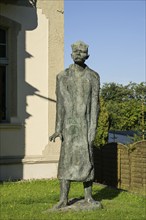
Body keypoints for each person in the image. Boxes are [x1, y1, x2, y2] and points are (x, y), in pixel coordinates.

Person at [49, 41, 100, 209]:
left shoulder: (93, 76)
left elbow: (95, 105)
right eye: (75, 51)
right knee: (66, 162)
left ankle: (88, 197)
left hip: (85, 126)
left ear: (88, 56)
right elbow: (60, 104)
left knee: (87, 161)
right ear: (71, 54)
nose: (78, 53)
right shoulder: (62, 76)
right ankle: (63, 199)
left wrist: (92, 130)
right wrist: (58, 128)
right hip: (69, 128)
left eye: (82, 51)